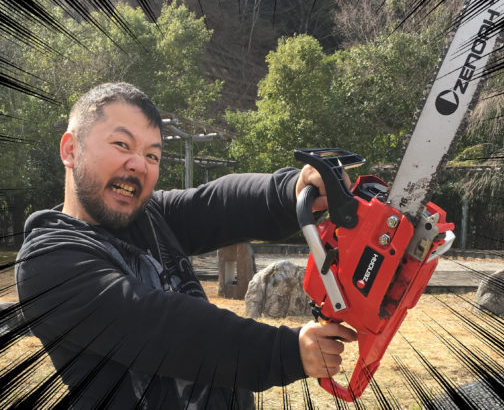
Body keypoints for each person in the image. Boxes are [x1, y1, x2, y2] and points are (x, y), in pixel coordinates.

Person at [15, 82, 356, 408]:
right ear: (71, 150)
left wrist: (294, 190)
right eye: (122, 144)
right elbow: (165, 330)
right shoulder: (47, 262)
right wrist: (287, 352)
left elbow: (218, 203)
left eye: (152, 155)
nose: (139, 164)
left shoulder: (150, 215)